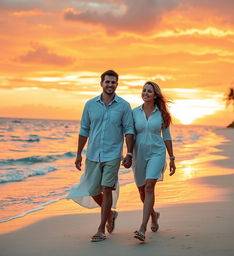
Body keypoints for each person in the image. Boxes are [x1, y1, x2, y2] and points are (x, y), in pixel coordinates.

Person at [67, 70, 134, 242]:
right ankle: (111, 214)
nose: (110, 85)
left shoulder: (124, 106)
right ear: (101, 83)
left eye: (113, 82)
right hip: (92, 154)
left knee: (106, 189)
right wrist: (78, 154)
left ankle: (101, 229)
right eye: (107, 82)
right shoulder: (90, 105)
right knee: (92, 190)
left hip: (112, 155)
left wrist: (129, 153)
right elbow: (84, 130)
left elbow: (128, 130)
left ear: (117, 84)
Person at [132, 81, 176, 242]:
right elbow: (129, 134)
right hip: (139, 155)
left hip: (157, 153)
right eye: (144, 90)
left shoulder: (162, 115)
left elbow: (167, 137)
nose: (145, 93)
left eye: (149, 91)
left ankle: (142, 228)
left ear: (155, 95)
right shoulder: (134, 113)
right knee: (142, 191)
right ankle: (153, 215)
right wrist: (128, 154)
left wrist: (171, 158)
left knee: (150, 186)